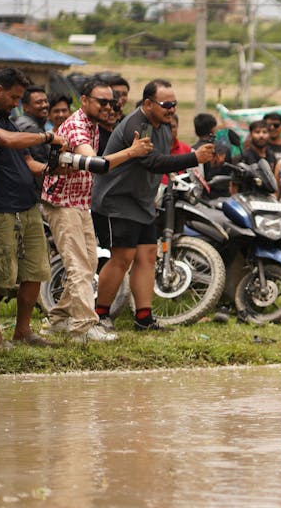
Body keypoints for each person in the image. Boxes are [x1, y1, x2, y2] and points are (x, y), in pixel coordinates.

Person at [94, 79, 214, 331]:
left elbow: (165, 158)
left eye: (174, 104)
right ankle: (99, 314)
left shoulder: (164, 124)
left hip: (143, 201)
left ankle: (144, 318)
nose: (171, 109)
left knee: (148, 255)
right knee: (122, 257)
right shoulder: (137, 126)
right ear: (148, 103)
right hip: (117, 200)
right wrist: (194, 157)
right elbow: (153, 162)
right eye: (166, 104)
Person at [42, 77, 153, 342]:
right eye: (102, 102)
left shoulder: (93, 124)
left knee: (89, 263)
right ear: (85, 101)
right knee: (79, 267)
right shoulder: (79, 126)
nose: (108, 107)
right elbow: (96, 164)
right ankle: (83, 325)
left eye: (111, 102)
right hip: (62, 204)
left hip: (81, 203)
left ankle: (58, 319)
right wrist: (132, 151)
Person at [0, 68, 62, 349]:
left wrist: (53, 169)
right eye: (14, 97)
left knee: (35, 269)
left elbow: (29, 162)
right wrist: (46, 137)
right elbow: (6, 141)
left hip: (28, 205)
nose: (17, 104)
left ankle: (23, 331)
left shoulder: (10, 121)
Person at [12, 85, 51, 165]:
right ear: (25, 107)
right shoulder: (30, 129)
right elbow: (41, 162)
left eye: (46, 101)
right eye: (38, 102)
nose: (44, 105)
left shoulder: (33, 124)